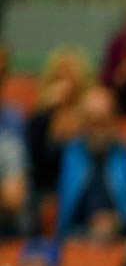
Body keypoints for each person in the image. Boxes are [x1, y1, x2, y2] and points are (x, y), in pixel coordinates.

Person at [55, 87, 126, 240]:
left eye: (102, 122)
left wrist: (119, 221)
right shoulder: (66, 154)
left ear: (114, 120)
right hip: (75, 238)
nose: (96, 130)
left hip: (122, 238)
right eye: (91, 122)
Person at [26, 47, 93, 209]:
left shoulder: (91, 117)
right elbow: (34, 164)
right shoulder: (40, 119)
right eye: (58, 77)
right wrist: (49, 116)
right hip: (46, 188)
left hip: (84, 185)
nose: (63, 84)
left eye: (69, 77)